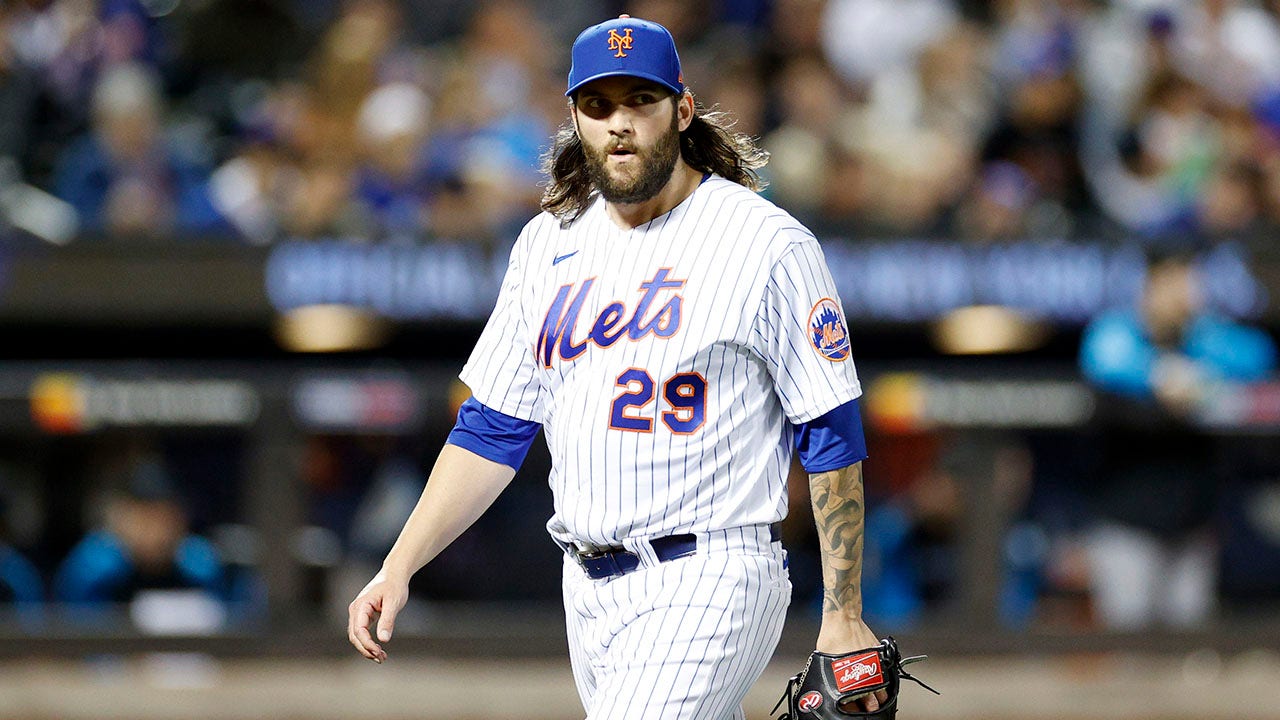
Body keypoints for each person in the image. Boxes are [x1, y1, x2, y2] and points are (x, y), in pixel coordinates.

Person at [347, 15, 884, 718]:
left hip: (713, 572)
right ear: (574, 116)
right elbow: (491, 429)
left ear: (682, 110)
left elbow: (831, 431)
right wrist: (401, 562)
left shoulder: (765, 242)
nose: (619, 122)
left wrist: (844, 613)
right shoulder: (548, 243)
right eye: (599, 105)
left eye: (640, 100)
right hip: (587, 586)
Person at [1078, 251, 1277, 629]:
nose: (1188, 292)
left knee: (1188, 654)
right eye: (1177, 281)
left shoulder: (1205, 338)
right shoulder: (1119, 333)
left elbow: (1257, 356)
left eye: (1191, 281)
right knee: (1128, 648)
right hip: (1127, 524)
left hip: (1192, 527)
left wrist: (1199, 379)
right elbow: (1103, 358)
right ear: (1152, 283)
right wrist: (1157, 376)